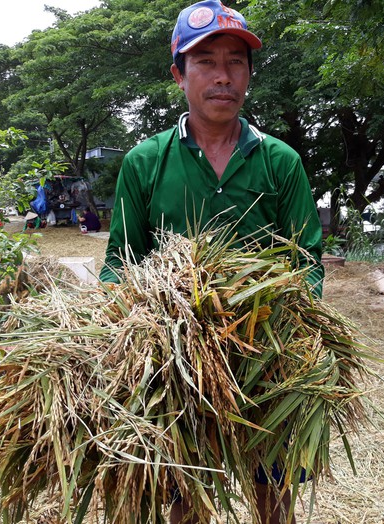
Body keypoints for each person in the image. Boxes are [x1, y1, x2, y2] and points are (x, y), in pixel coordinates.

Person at [99, 1, 324, 522]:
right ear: (179, 74)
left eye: (235, 62)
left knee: (275, 487)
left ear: (248, 74)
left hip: (268, 354)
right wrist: (128, 325)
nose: (223, 76)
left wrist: (289, 323)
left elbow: (308, 261)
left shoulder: (280, 161)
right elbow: (119, 261)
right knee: (184, 493)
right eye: (205, 62)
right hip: (176, 359)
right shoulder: (145, 162)